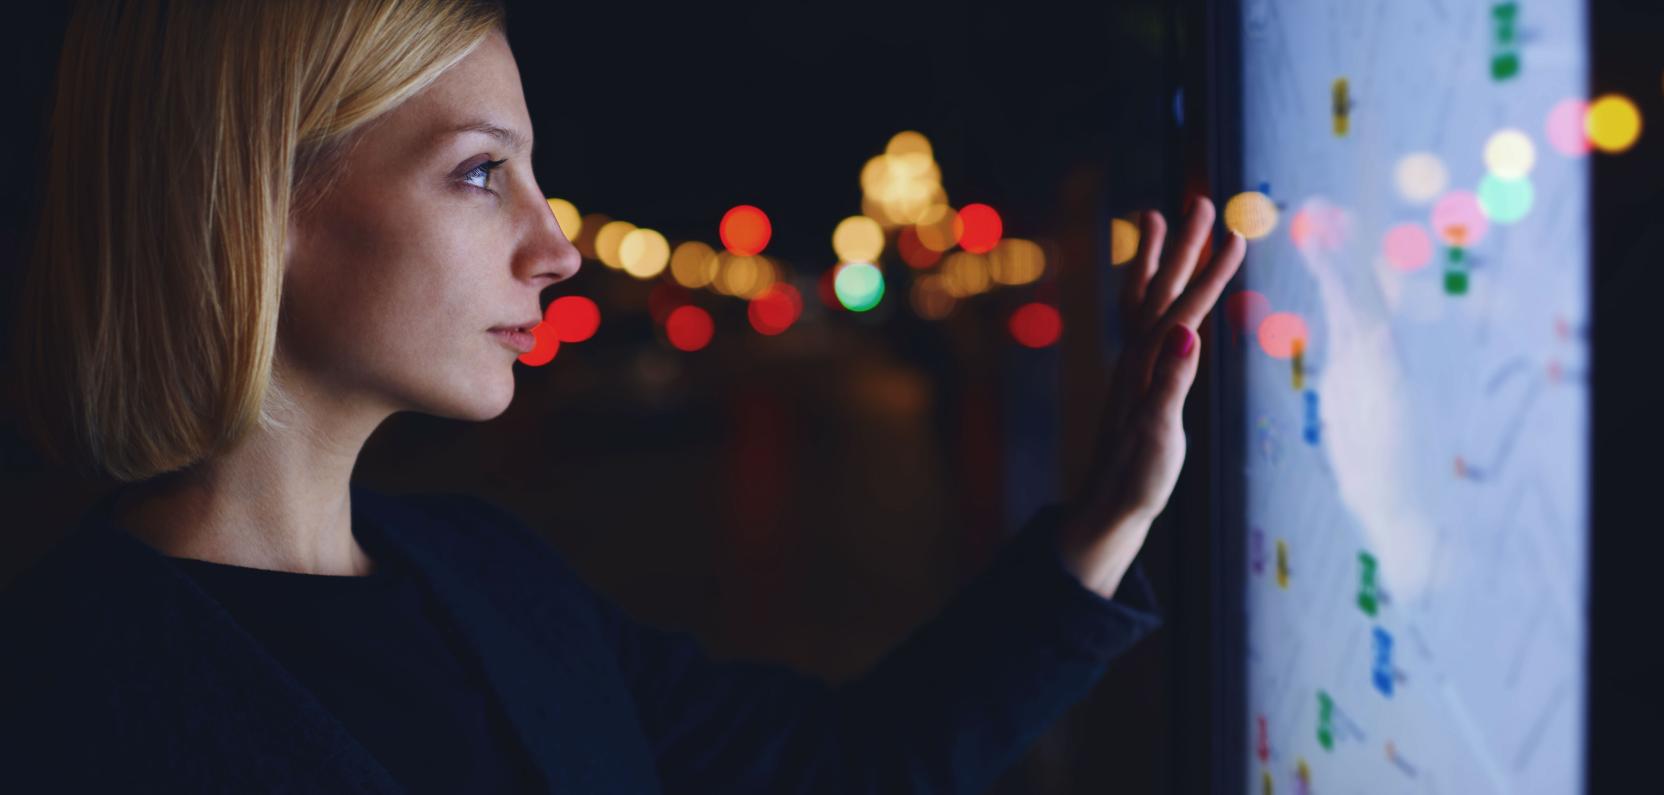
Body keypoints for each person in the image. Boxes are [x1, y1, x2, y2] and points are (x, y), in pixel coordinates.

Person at [0, 0, 1246, 792]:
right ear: (255, 203)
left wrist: (1107, 517)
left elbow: (848, 768)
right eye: (482, 174)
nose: (559, 247)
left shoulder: (493, 576)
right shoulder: (61, 701)